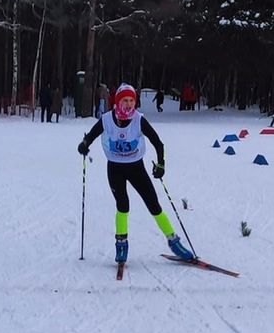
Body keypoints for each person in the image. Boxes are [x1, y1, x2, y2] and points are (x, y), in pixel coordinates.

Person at [77, 83, 192, 264]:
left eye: (132, 100)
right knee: (123, 204)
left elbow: (158, 143)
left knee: (153, 204)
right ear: (118, 101)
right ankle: (121, 244)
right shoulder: (106, 120)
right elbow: (89, 137)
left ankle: (173, 240)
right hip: (115, 169)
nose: (129, 104)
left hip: (136, 167)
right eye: (125, 100)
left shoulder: (139, 120)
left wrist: (161, 165)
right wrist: (84, 145)